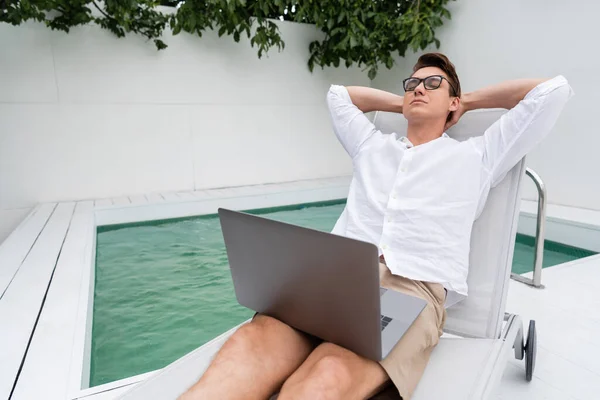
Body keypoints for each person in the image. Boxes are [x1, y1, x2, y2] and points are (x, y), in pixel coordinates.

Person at [180, 53, 573, 400]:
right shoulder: (372, 145)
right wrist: (405, 104)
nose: (419, 88)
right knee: (252, 344)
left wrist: (467, 102)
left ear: (452, 101)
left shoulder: (479, 156)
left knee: (325, 377)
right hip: (329, 281)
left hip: (408, 290)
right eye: (413, 84)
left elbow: (553, 91)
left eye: (433, 83)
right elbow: (338, 95)